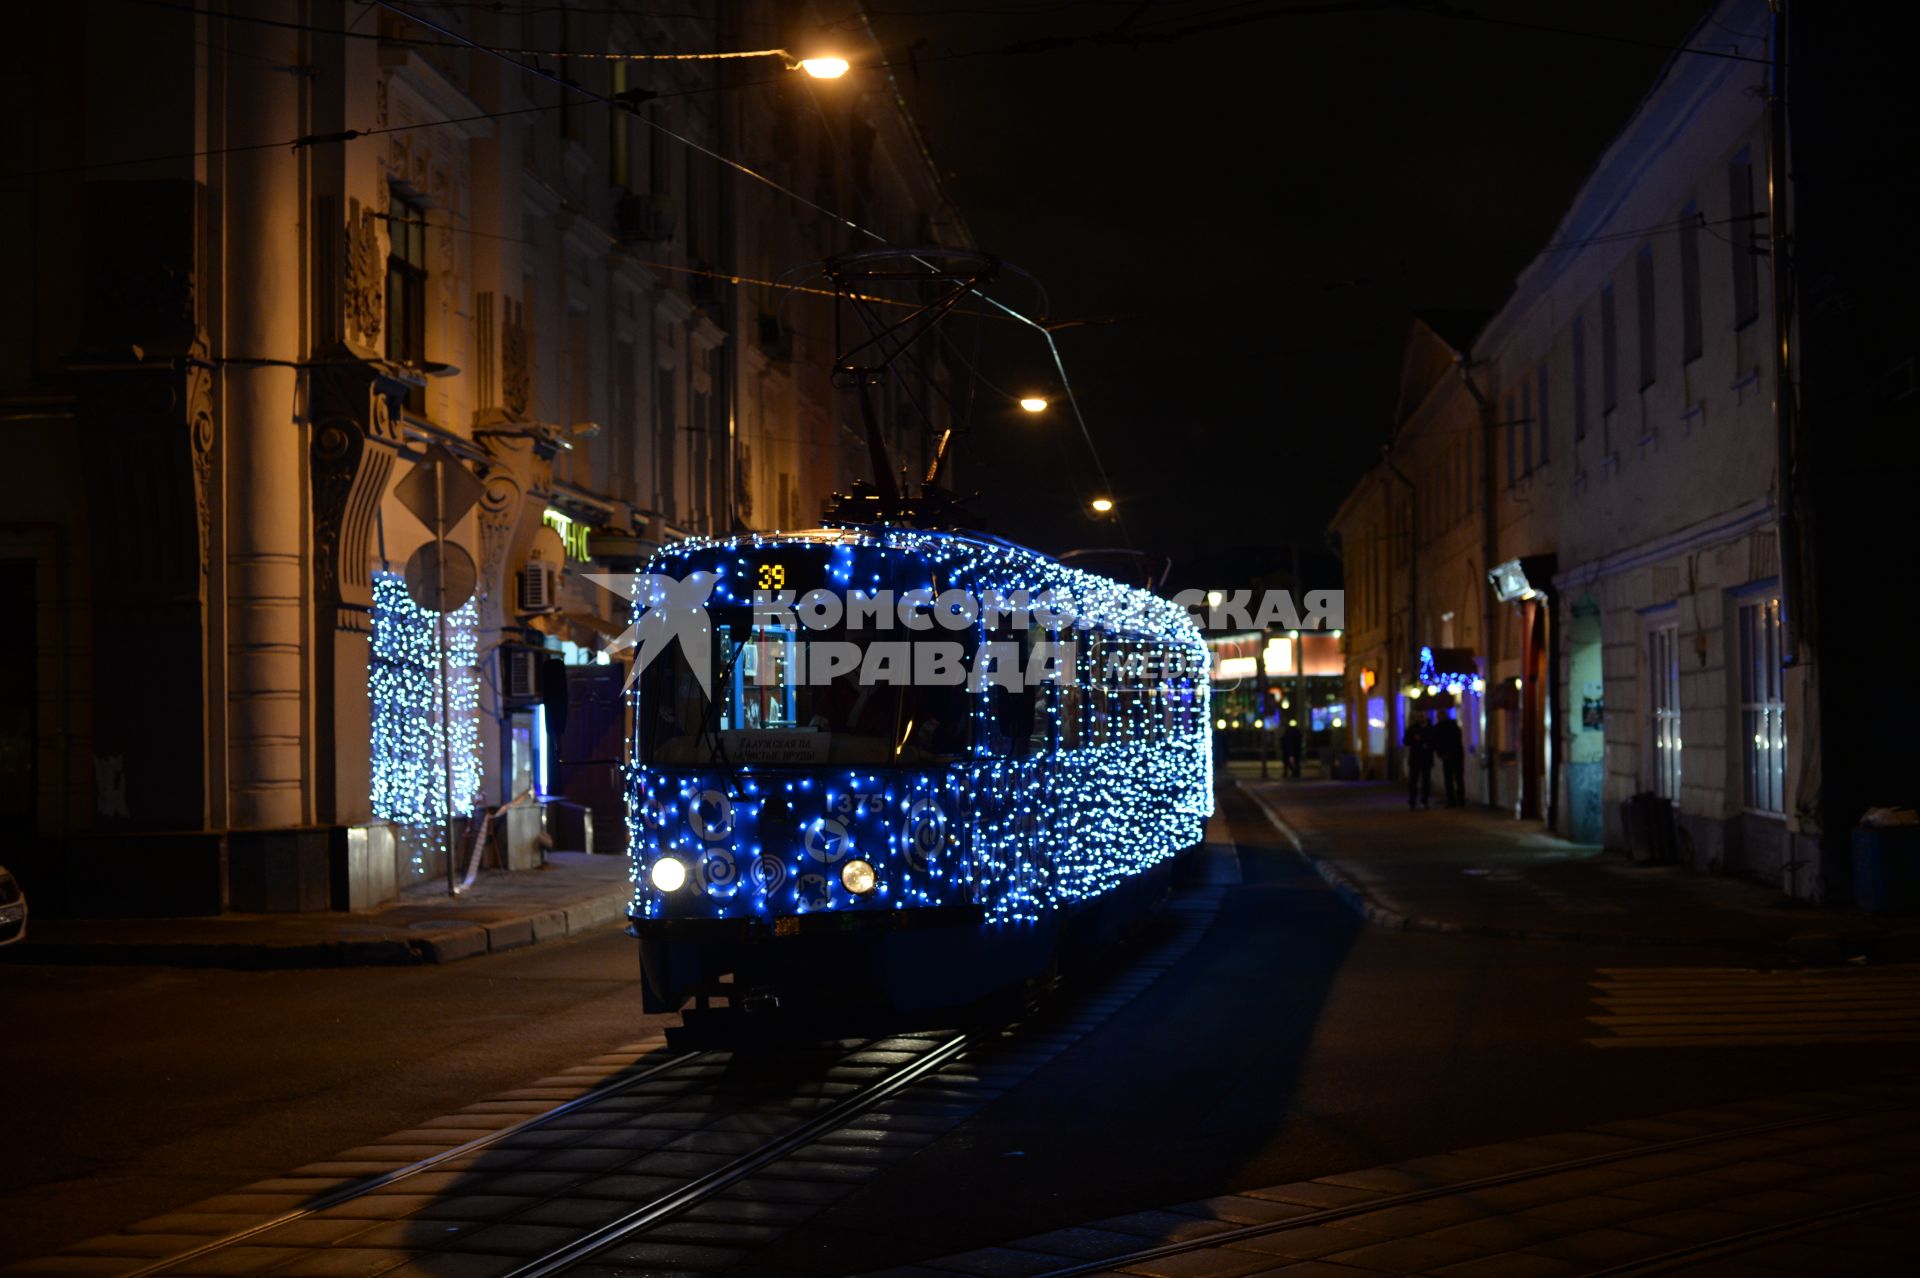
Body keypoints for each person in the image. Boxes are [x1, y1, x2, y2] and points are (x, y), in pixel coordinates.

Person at [1433, 712, 1466, 807]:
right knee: (1455, 779)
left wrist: (1442, 753)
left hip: (1451, 756)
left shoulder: (1444, 727)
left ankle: (1455, 800)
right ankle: (1458, 800)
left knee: (1452, 779)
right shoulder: (1451, 726)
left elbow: (1438, 741)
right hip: (1454, 756)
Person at [1403, 713, 1434, 809]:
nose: (1421, 718)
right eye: (1420, 716)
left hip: (1426, 758)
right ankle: (1412, 801)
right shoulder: (1413, 728)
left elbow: (1433, 741)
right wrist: (1414, 739)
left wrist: (1423, 740)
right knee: (1413, 781)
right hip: (1415, 758)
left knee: (1426, 781)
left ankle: (1424, 801)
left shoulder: (1430, 728)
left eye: (1423, 716)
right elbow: (1406, 740)